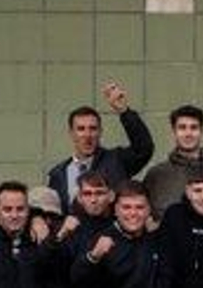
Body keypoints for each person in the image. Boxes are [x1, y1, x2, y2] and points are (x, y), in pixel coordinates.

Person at [46, 83, 154, 211]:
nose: (87, 135)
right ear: (71, 133)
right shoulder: (58, 174)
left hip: (109, 230)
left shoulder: (117, 161)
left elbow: (144, 148)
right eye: (81, 129)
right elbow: (54, 214)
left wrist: (124, 111)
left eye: (93, 129)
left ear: (100, 132)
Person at [142, 103, 203, 213]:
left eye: (194, 128)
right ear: (174, 132)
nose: (188, 133)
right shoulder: (156, 175)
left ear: (202, 132)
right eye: (182, 128)